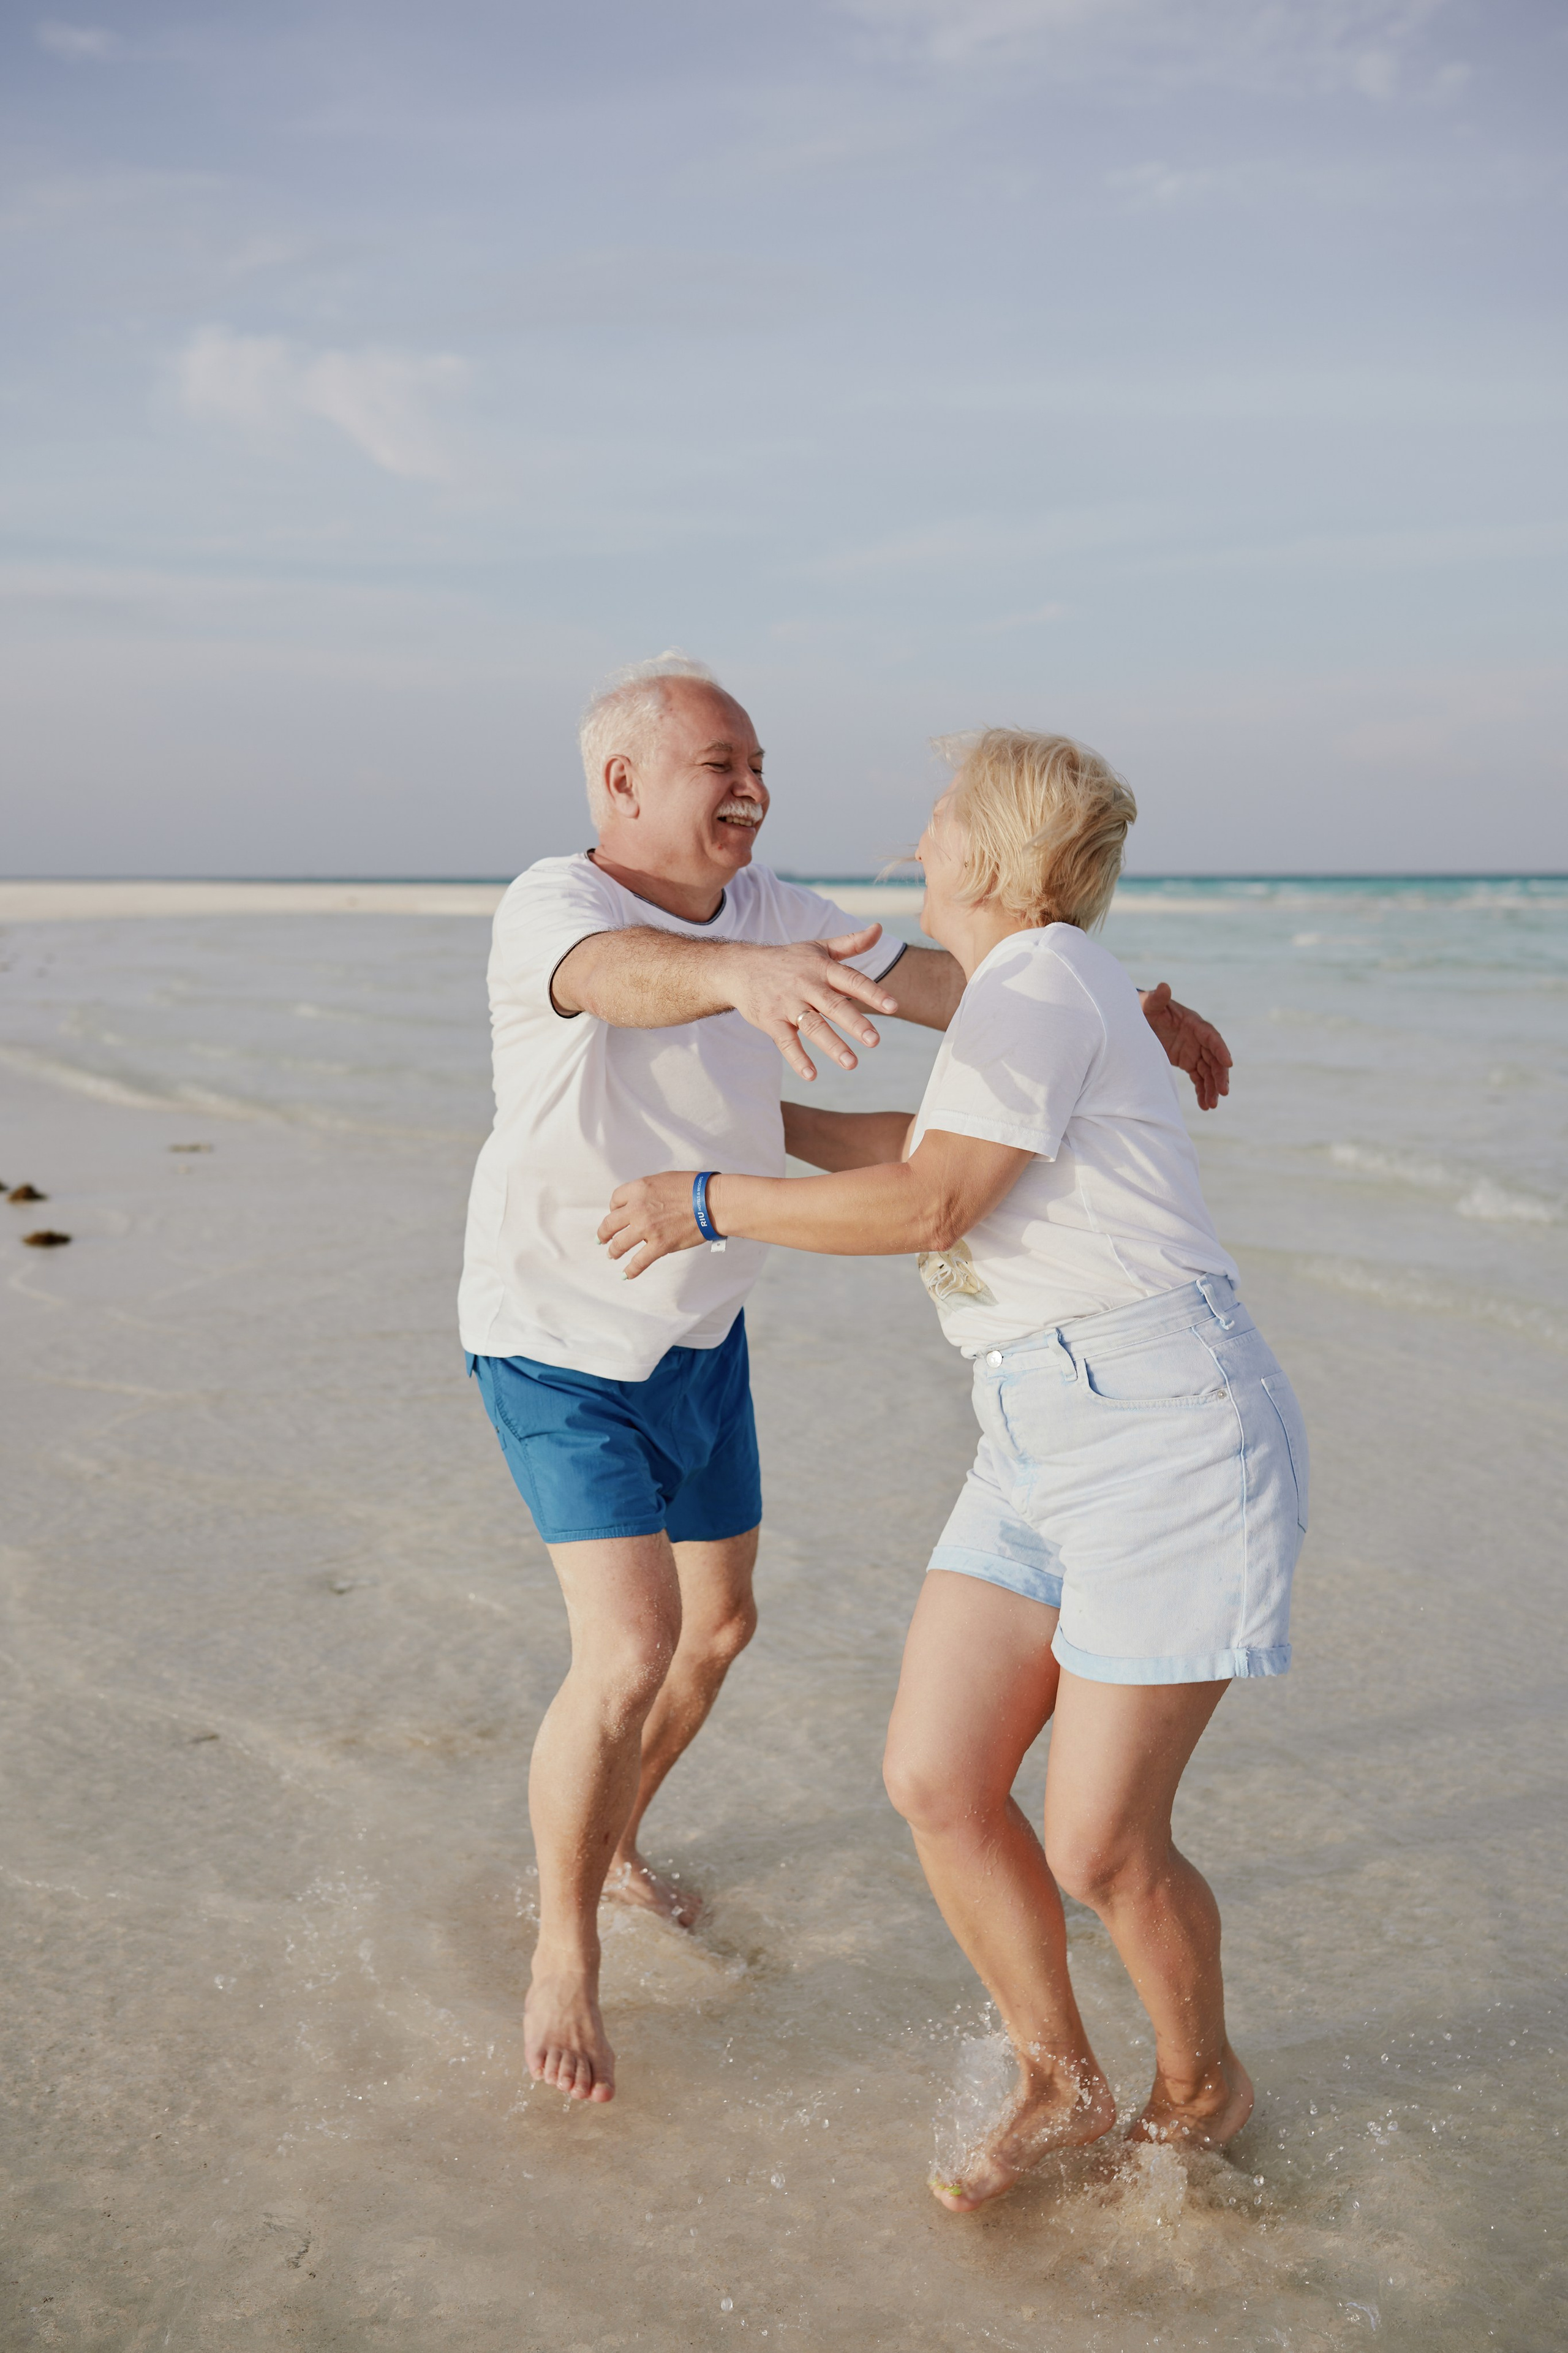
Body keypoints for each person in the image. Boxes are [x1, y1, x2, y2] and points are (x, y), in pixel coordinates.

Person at [462, 660, 1234, 2107]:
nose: (751, 783)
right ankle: (562, 1945)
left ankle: (613, 1838)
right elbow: (615, 981)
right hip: (558, 1336)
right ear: (623, 783)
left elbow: (963, 976)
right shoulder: (552, 907)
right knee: (625, 1650)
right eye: (716, 761)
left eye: (757, 758)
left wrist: (1123, 1012)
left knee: (720, 1627)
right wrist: (736, 978)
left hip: (695, 1330)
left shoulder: (772, 907)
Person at [601, 727, 1308, 2207]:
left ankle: (1200, 2085)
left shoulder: (1045, 981)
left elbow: (926, 1201)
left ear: (985, 858)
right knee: (936, 1777)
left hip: (1163, 1430)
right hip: (1035, 1429)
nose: (914, 842)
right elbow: (902, 1127)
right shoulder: (1028, 993)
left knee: (1102, 1841)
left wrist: (709, 1197)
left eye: (934, 823)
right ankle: (1057, 2079)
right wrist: (711, 1121)